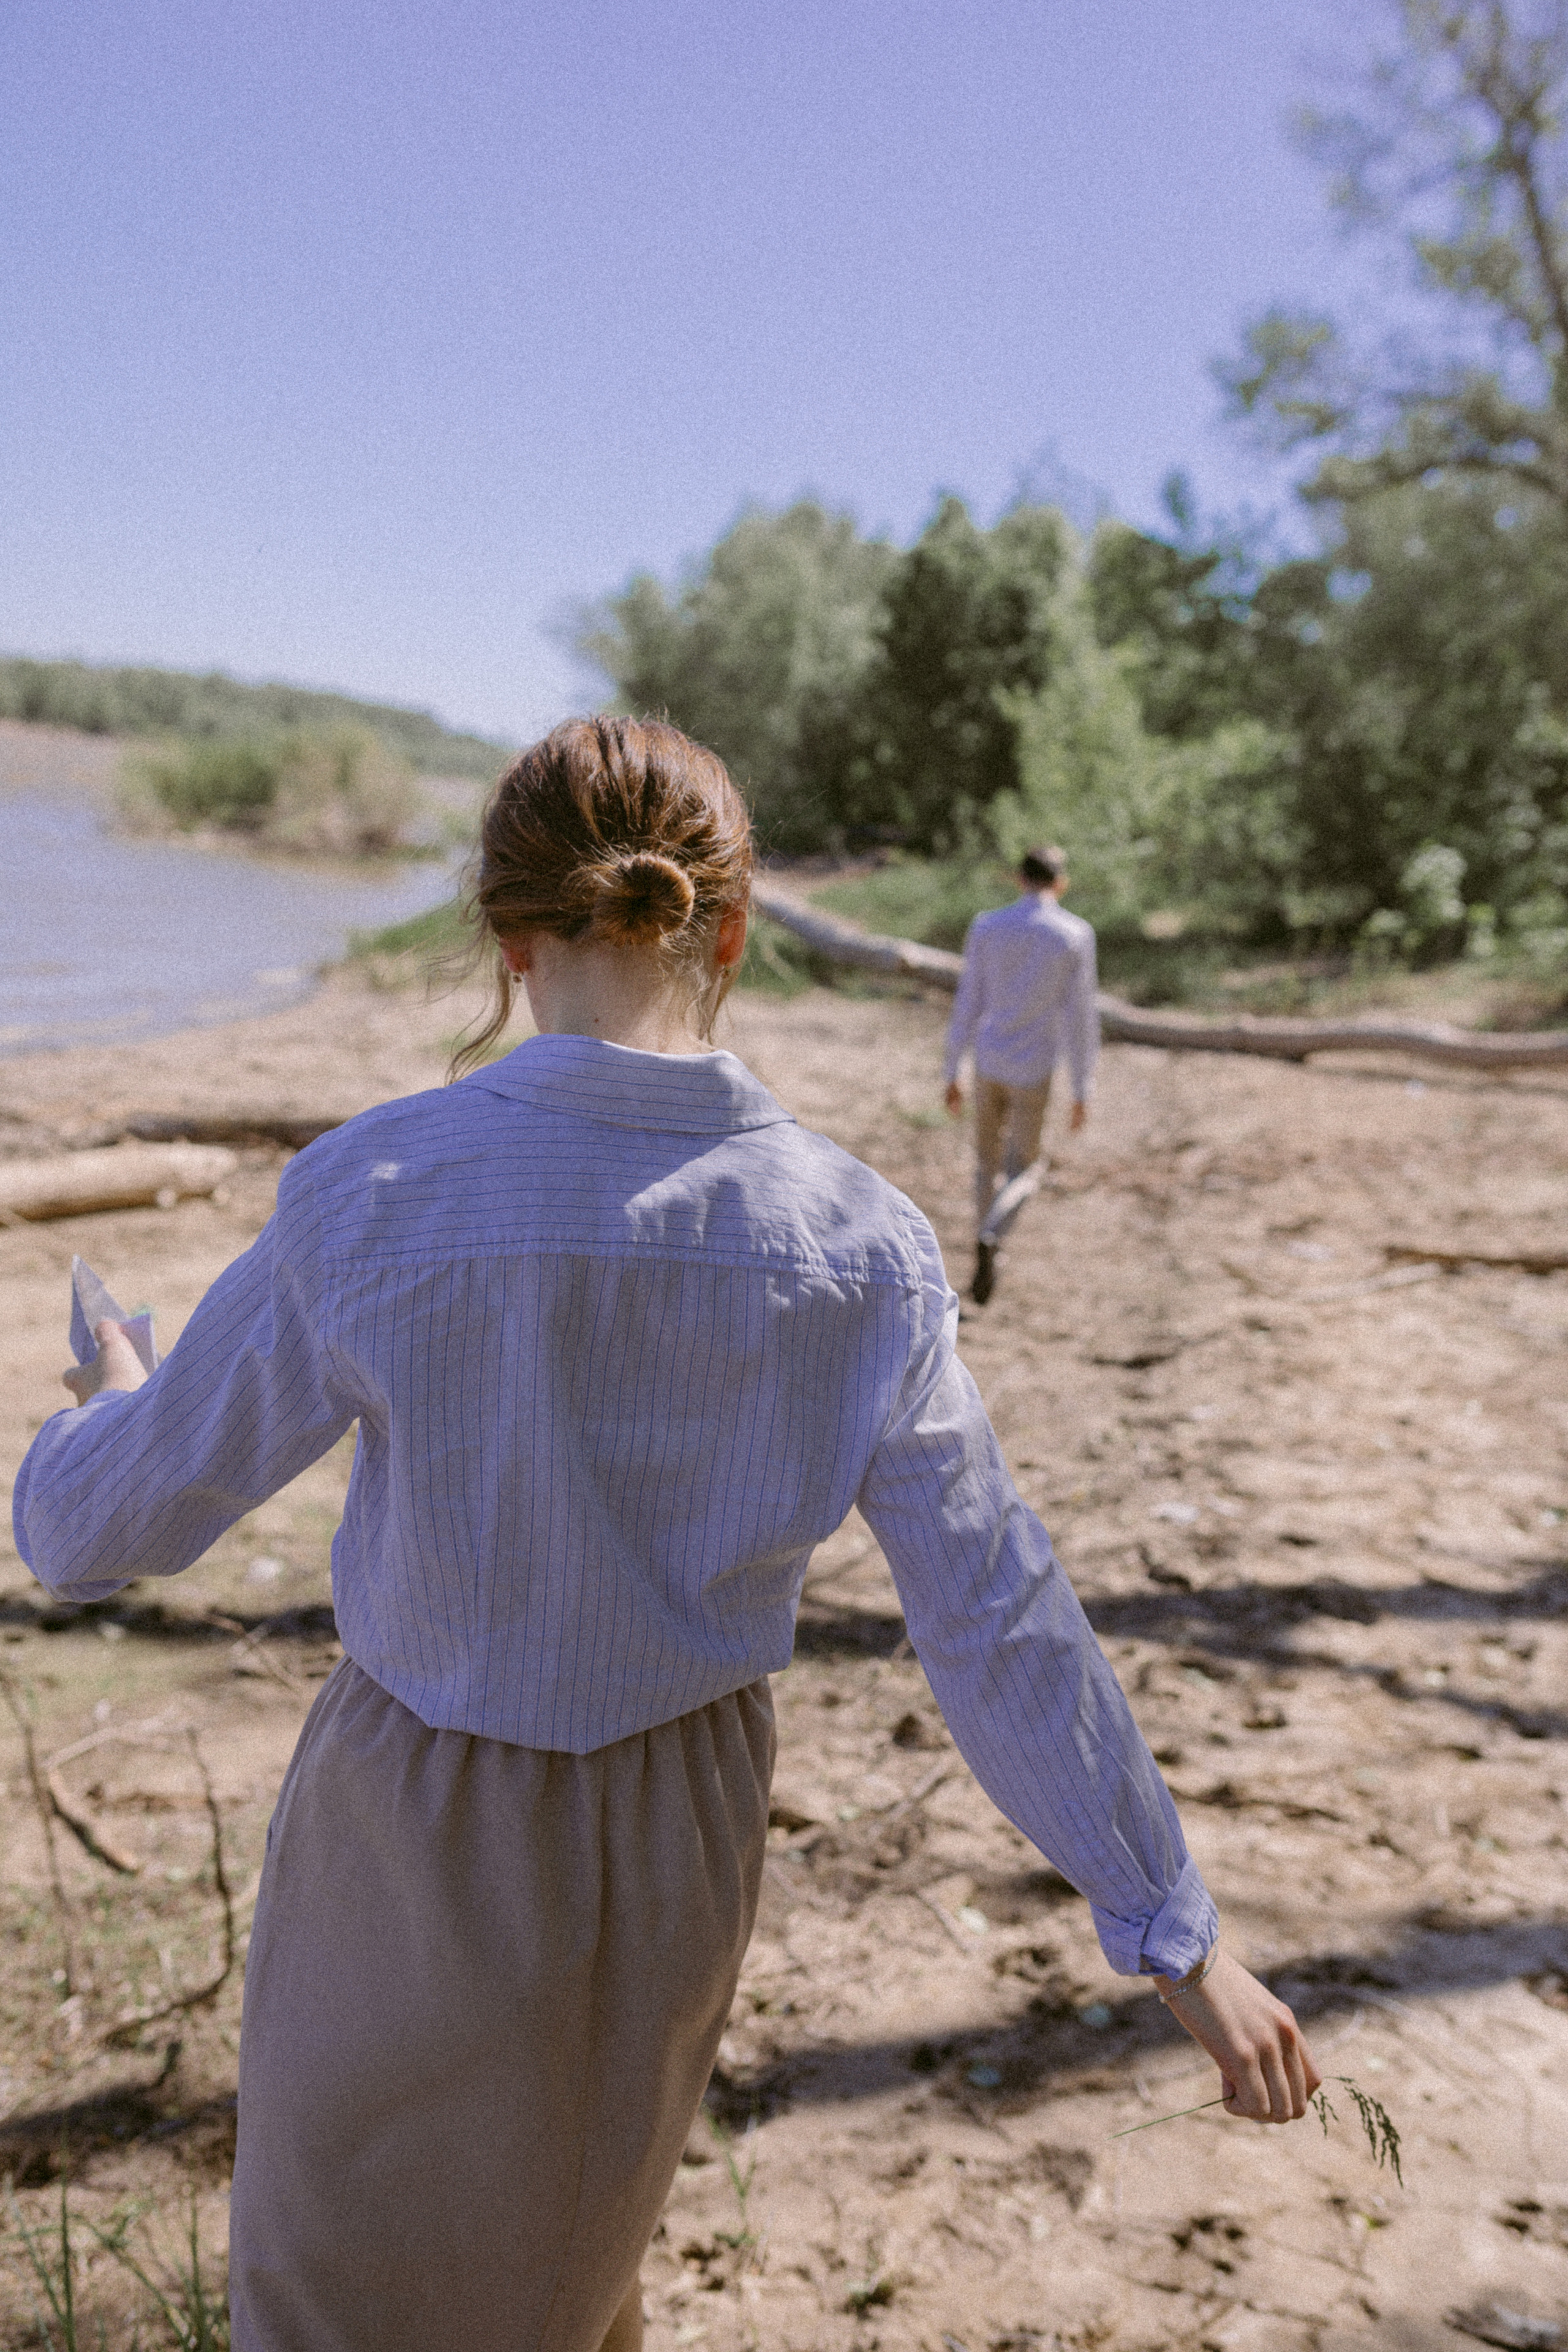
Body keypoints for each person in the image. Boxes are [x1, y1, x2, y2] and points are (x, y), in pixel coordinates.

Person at [15, 720, 1317, 2352]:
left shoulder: (377, 1190)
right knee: (565, 2285)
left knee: (334, 2304)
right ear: (735, 932)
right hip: (686, 1834)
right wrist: (1172, 1928)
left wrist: (109, 1394)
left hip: (412, 1821)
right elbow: (997, 1619)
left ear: (507, 944)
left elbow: (89, 1535)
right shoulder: (863, 1244)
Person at [943, 844, 1099, 1306]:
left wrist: (953, 1068)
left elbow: (968, 1001)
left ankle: (982, 1249)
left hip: (989, 1061)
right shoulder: (1074, 934)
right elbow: (1081, 1018)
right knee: (1024, 1168)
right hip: (1035, 1067)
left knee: (984, 1164)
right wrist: (1082, 1087)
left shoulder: (988, 926)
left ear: (1019, 879)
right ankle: (994, 1233)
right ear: (1061, 883)